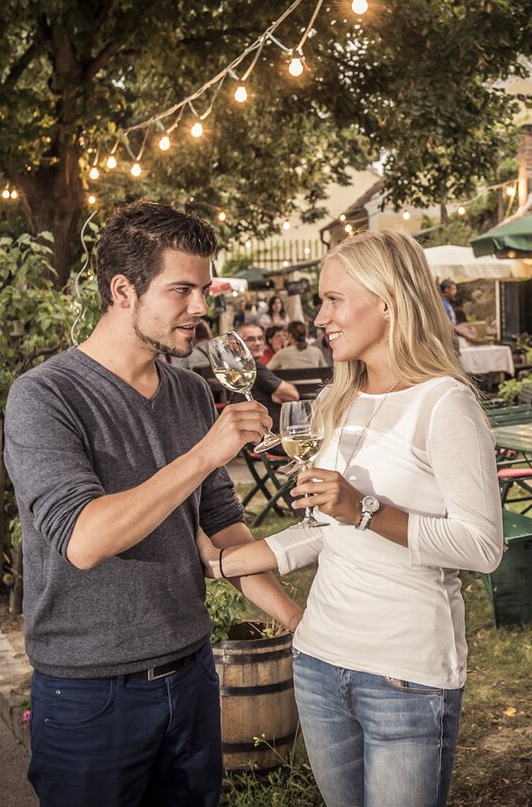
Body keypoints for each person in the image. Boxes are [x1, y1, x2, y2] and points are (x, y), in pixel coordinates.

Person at [3, 201, 303, 807]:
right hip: (91, 695)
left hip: (192, 675)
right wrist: (206, 454)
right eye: (182, 290)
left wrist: (301, 624)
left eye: (205, 289)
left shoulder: (191, 392)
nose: (201, 307)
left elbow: (223, 529)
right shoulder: (45, 395)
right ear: (123, 291)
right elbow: (84, 540)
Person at [197, 229, 503, 807]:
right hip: (317, 663)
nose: (320, 317)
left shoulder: (445, 403)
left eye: (334, 299)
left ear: (386, 301)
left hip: (404, 676)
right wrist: (223, 561)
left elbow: (481, 547)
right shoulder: (343, 399)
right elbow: (324, 529)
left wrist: (364, 509)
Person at [234, 322, 299, 433]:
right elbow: (293, 394)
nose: (258, 343)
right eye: (250, 339)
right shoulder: (253, 367)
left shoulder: (239, 367)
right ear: (236, 345)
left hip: (254, 431)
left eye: (260, 338)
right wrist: (277, 391)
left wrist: (275, 390)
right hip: (271, 434)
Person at [437, 279, 477, 348]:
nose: (455, 292)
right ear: (446, 290)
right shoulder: (442, 304)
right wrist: (466, 335)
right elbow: (449, 325)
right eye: (454, 289)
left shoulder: (446, 303)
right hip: (448, 341)